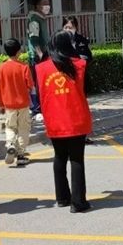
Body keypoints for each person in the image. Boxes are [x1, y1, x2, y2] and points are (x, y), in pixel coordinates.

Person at [36, 31, 94, 213]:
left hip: (54, 119)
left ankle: (62, 198)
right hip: (76, 118)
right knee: (77, 159)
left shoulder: (40, 68)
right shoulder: (80, 65)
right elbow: (87, 89)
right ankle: (78, 202)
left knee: (59, 157)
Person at [0, 38, 34, 167]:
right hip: (23, 103)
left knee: (10, 127)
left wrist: (0, 104)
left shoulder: (1, 67)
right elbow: (30, 85)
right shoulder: (24, 67)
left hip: (9, 104)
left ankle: (10, 144)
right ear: (18, 51)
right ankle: (21, 154)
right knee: (23, 128)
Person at [27, 0, 51, 121]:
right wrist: (40, 53)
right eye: (44, 4)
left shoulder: (41, 18)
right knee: (37, 84)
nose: (47, 6)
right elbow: (34, 38)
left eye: (48, 3)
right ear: (37, 6)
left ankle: (43, 107)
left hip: (43, 54)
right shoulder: (34, 19)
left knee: (42, 83)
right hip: (37, 57)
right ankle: (36, 109)